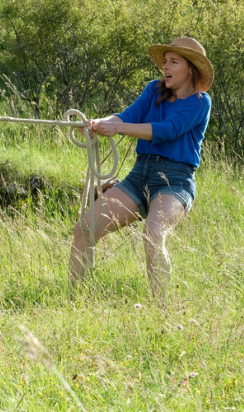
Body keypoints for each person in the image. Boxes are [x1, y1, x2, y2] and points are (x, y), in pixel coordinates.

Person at [69, 36, 213, 301]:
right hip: (139, 176)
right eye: (165, 62)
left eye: (173, 62)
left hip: (175, 181)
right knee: (85, 228)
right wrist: (102, 122)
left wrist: (117, 127)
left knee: (153, 233)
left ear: (191, 69)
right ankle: (74, 301)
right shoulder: (153, 90)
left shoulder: (200, 102)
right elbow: (127, 116)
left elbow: (168, 131)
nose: (165, 67)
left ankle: (161, 310)